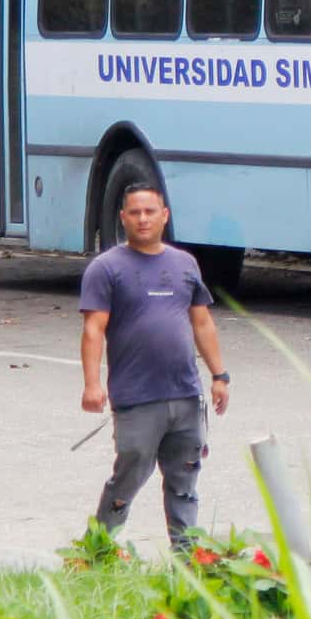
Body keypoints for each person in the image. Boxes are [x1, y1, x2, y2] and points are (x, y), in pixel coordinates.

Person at [79, 183, 229, 547]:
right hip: (137, 398)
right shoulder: (106, 268)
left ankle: (188, 563)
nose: (143, 219)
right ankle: (96, 554)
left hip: (186, 395)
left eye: (150, 212)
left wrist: (219, 375)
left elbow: (202, 322)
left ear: (165, 216)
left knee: (184, 485)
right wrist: (92, 384)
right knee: (126, 480)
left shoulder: (185, 264)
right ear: (123, 217)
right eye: (135, 212)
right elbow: (93, 329)